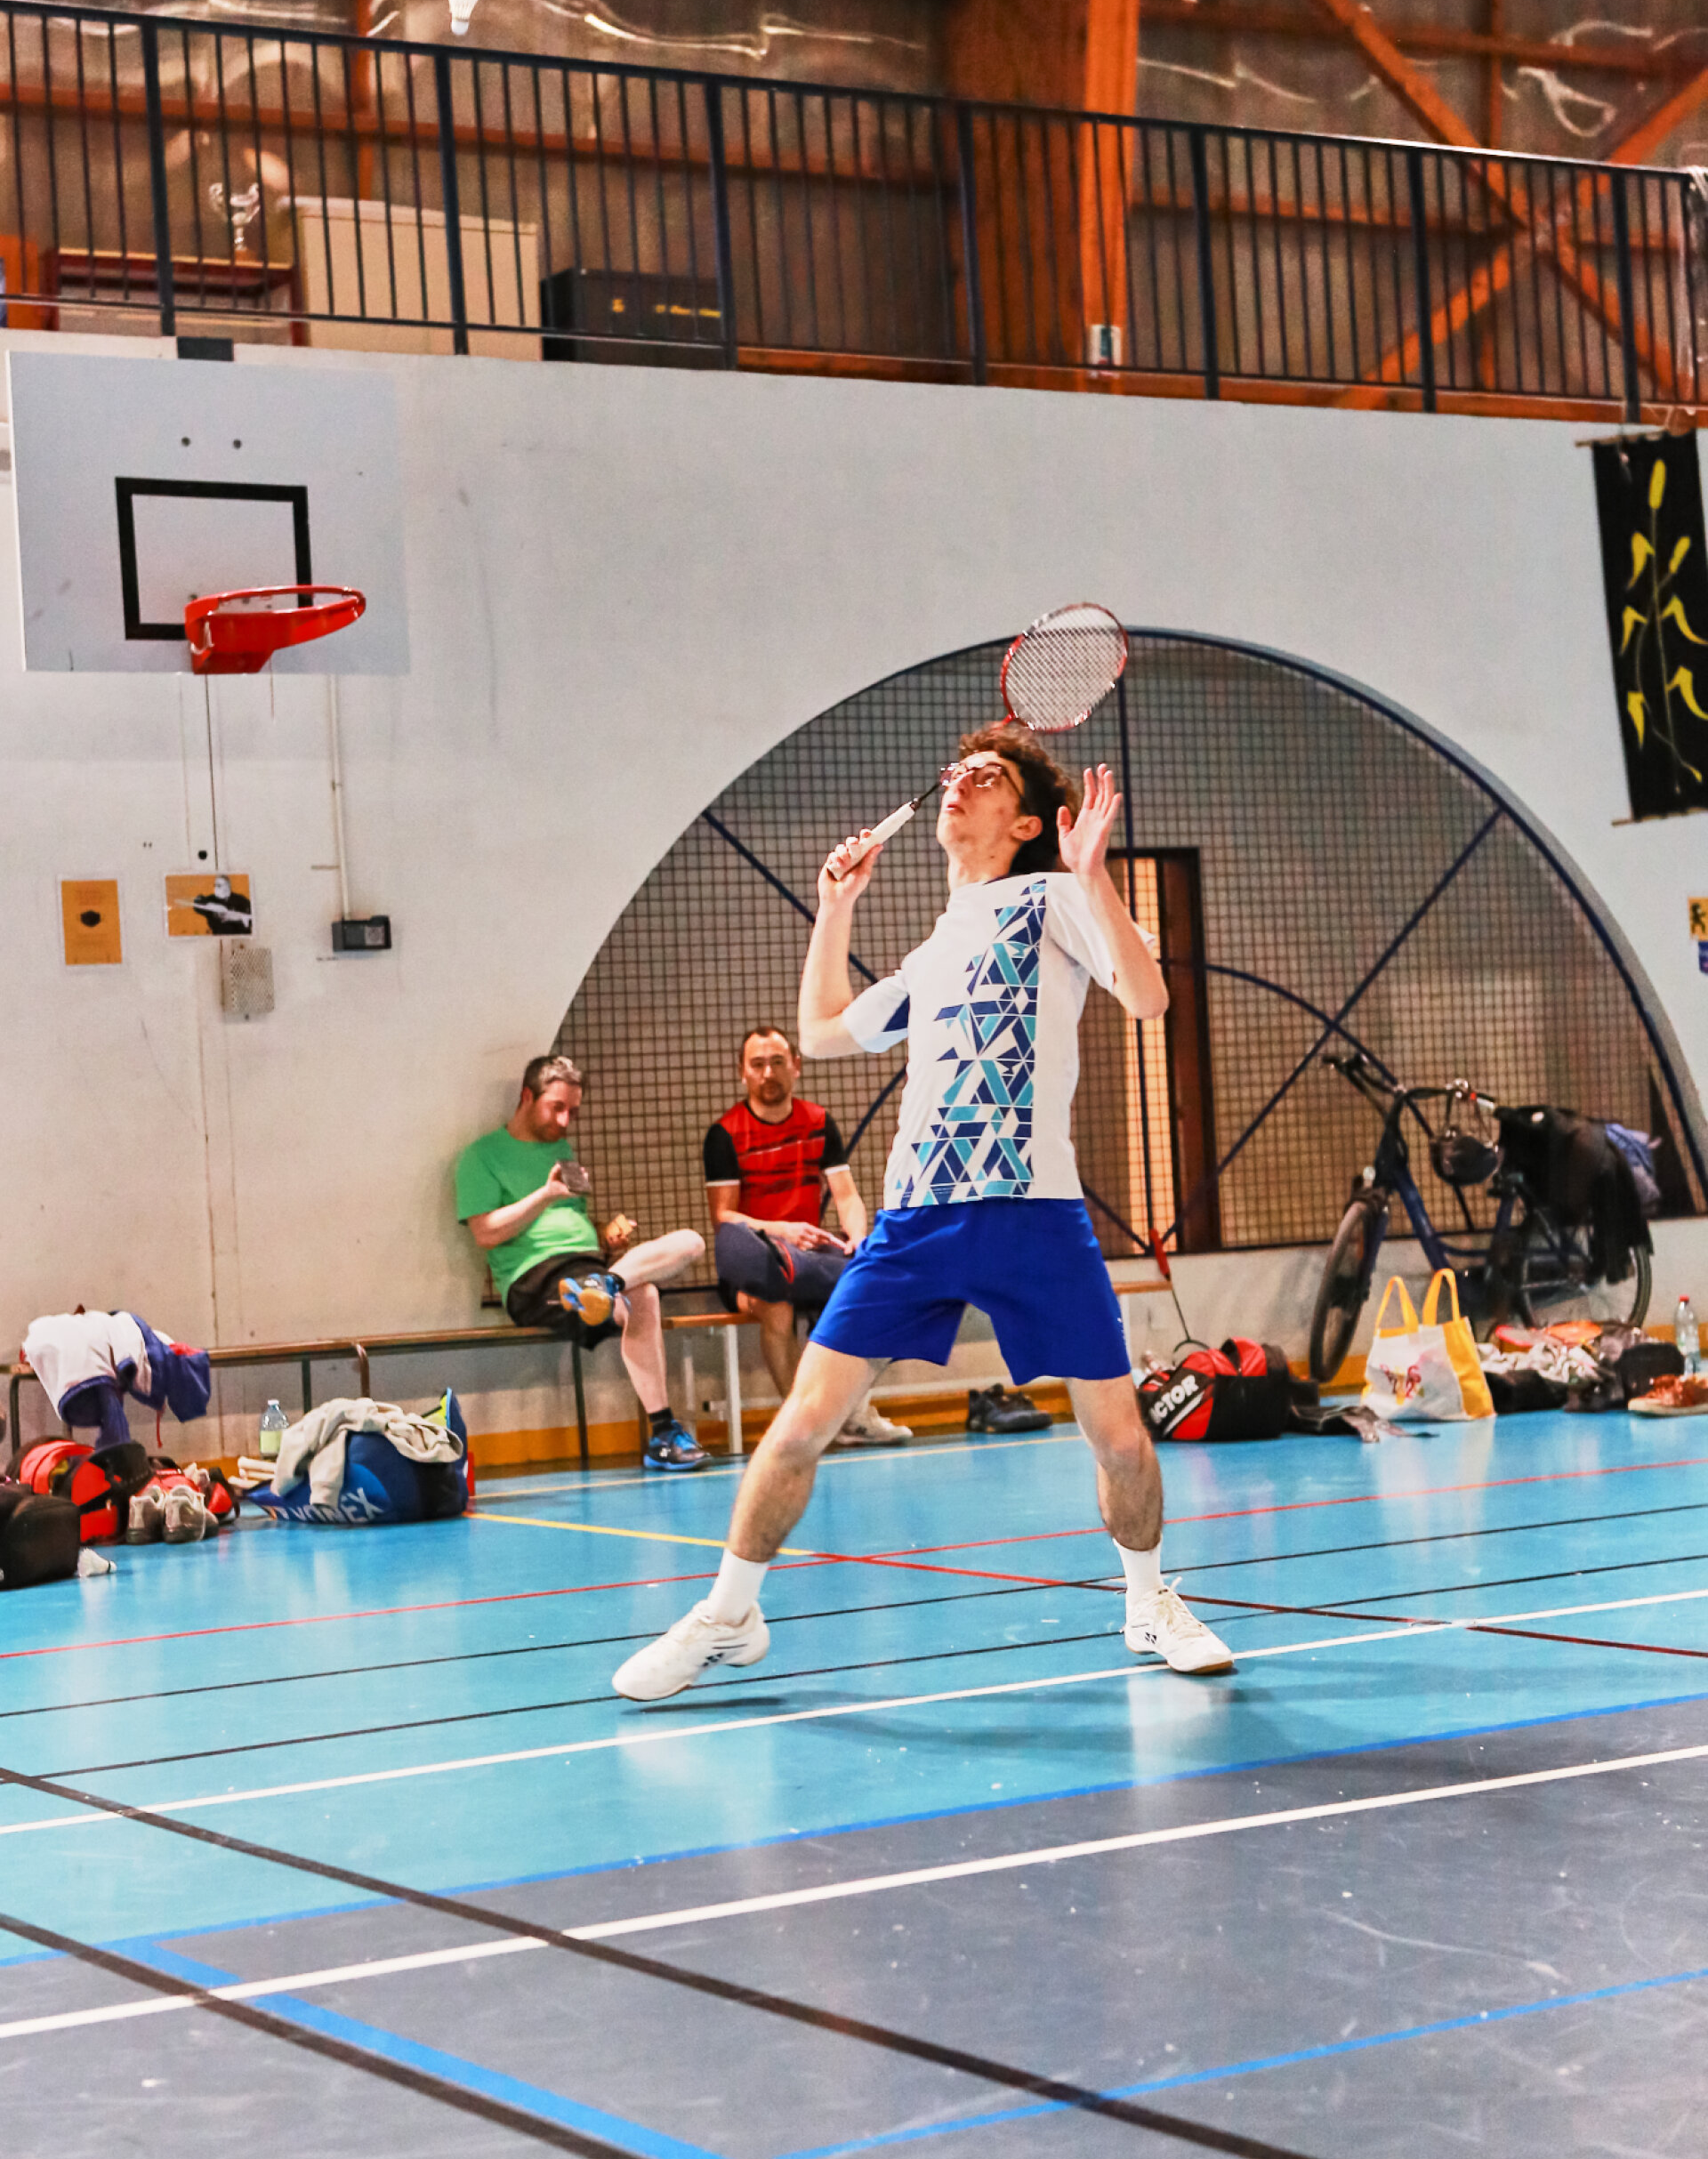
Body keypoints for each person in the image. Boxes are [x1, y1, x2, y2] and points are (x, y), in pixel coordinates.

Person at [615, 727, 1233, 1696]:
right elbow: (823, 1030)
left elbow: (1148, 998)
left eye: (986, 777)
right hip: (916, 1218)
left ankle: (1149, 1600)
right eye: (957, 772)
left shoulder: (1055, 898)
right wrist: (835, 907)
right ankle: (729, 1615)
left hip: (1035, 1212)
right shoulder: (938, 948)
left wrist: (1092, 875)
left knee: (1117, 1434)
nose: (960, 783)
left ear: (1025, 822)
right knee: (801, 1424)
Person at [456, 1055, 709, 1472]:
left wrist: (605, 1238)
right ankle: (664, 1432)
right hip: (534, 1280)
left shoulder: (561, 1149)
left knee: (690, 1243)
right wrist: (544, 1194)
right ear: (527, 1097)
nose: (564, 1121)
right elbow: (485, 1232)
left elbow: (568, 1223)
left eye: (572, 1112)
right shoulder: (481, 1156)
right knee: (644, 1296)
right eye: (556, 1107)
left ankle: (607, 1283)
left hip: (587, 1269)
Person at [704, 1025, 910, 1447]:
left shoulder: (818, 1122)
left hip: (811, 1258)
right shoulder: (725, 1134)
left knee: (871, 1288)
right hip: (758, 1263)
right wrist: (783, 1230)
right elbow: (724, 1218)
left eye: (777, 1062)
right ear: (742, 1072)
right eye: (758, 1064)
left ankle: (854, 1414)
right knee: (777, 1309)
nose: (768, 1073)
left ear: (796, 1066)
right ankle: (803, 1426)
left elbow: (846, 1196)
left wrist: (858, 1239)